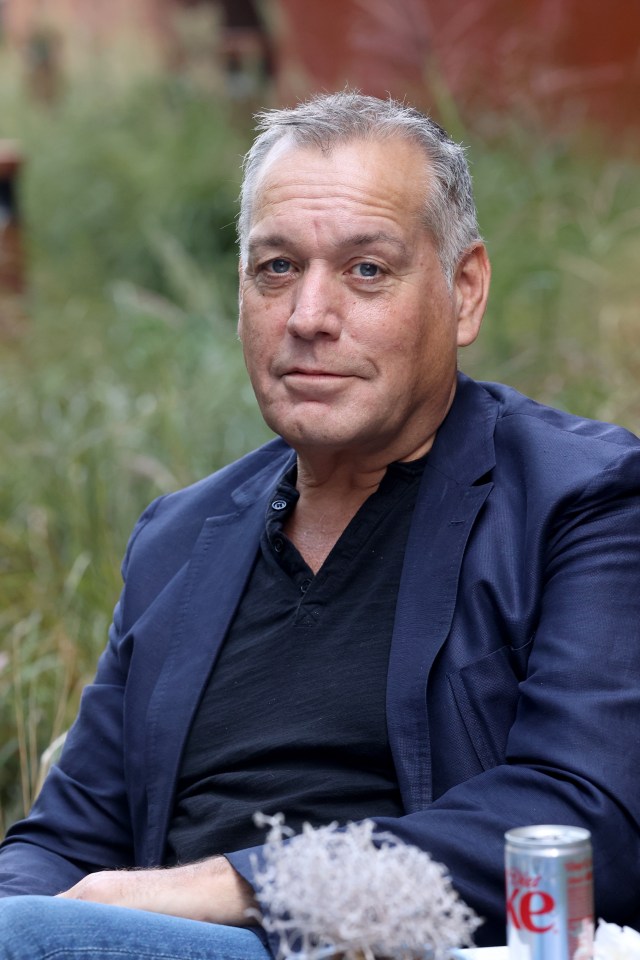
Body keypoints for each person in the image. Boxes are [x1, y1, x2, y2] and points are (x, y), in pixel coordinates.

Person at [1, 90, 640, 958]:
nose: (308, 316)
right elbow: (64, 840)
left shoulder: (579, 501)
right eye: (275, 268)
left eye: (366, 270)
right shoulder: (178, 541)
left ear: (464, 290)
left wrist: (238, 884)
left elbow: (580, 817)